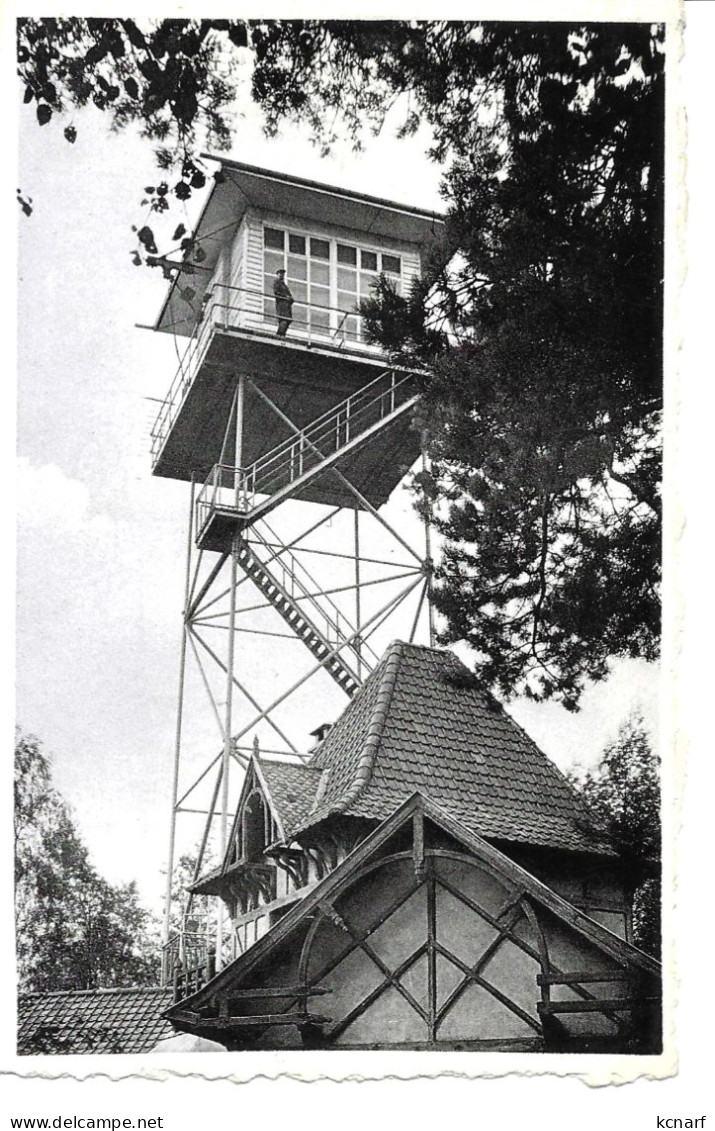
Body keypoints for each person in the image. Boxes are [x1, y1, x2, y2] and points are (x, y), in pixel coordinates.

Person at [273, 269, 294, 337]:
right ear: (278, 274)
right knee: (284, 320)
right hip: (282, 305)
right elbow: (276, 293)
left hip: (287, 306)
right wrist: (285, 296)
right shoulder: (277, 282)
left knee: (287, 320)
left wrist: (290, 298)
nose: (282, 275)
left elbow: (289, 294)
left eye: (283, 274)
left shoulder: (284, 285)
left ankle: (282, 334)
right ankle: (280, 335)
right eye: (280, 273)